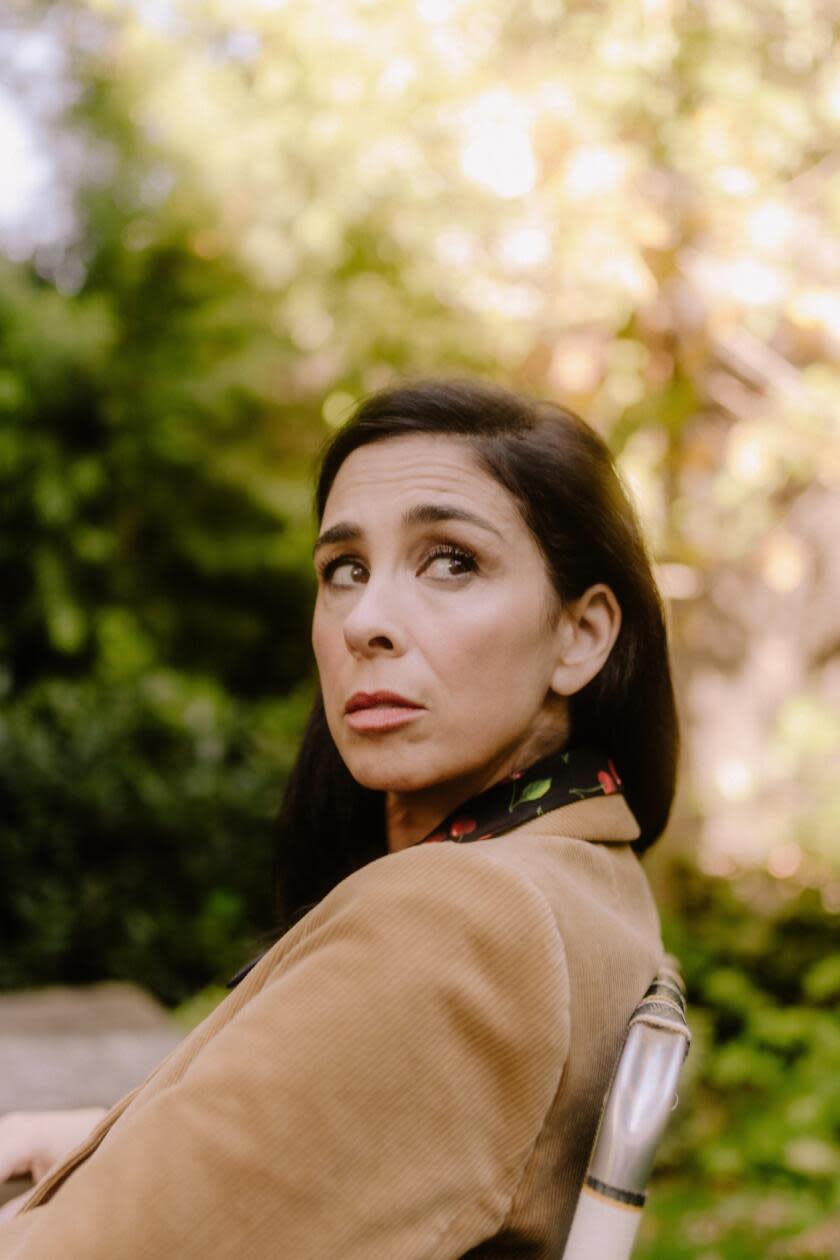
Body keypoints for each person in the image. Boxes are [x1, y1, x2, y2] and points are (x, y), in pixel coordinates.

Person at [0, 378, 678, 1257]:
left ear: (580, 634)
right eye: (344, 570)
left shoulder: (458, 922)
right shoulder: (586, 872)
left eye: (451, 561)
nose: (366, 619)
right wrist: (118, 1139)